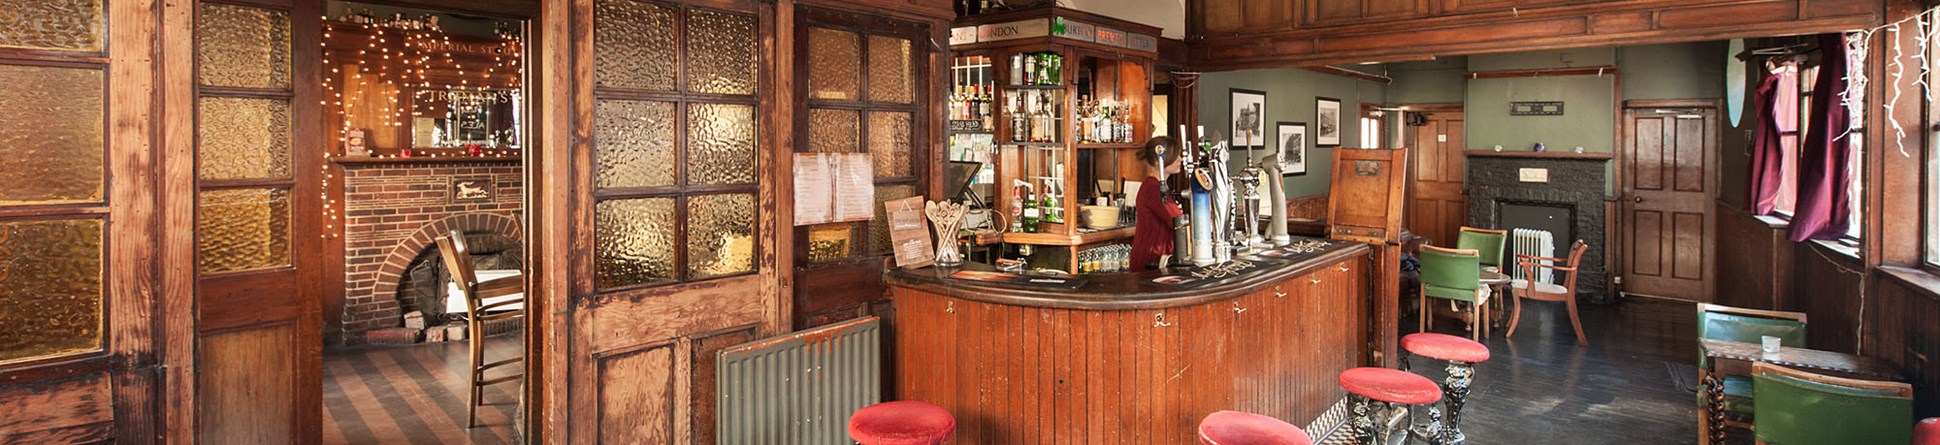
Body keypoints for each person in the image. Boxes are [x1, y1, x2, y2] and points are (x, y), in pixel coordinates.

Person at [1131, 136, 1185, 271]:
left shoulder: (1160, 187)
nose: (1180, 159)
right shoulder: (1153, 188)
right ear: (1157, 161)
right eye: (1175, 156)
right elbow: (1177, 220)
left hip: (1159, 256)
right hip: (1152, 260)